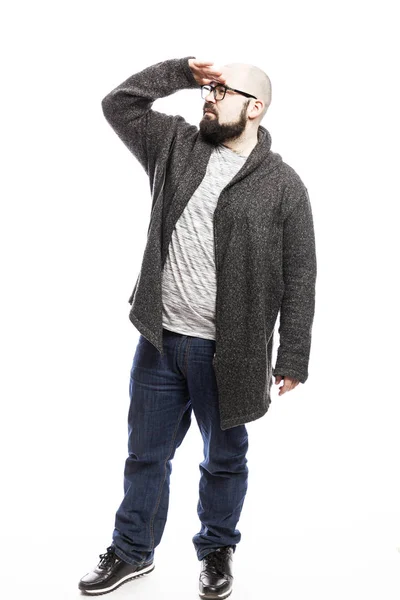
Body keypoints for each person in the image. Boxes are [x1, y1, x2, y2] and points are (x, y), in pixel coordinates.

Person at [78, 56, 317, 598]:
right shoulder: (175, 146)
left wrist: (293, 355)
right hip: (160, 341)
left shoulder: (284, 187)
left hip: (232, 353)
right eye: (206, 89)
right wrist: (183, 72)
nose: (208, 98)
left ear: (255, 107)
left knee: (225, 460)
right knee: (146, 455)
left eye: (222, 91)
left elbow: (300, 275)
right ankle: (132, 551)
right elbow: (119, 103)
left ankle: (216, 550)